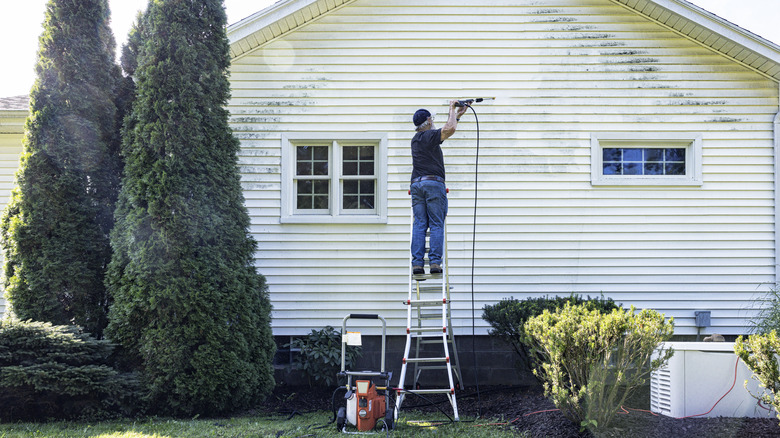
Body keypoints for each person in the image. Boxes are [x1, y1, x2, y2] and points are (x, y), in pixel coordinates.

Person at [410, 100, 468, 275]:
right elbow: (448, 130)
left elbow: (447, 129)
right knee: (436, 223)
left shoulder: (417, 139)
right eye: (432, 119)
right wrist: (451, 108)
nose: (433, 122)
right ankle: (435, 263)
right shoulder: (429, 136)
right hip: (433, 184)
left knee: (420, 224)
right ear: (428, 121)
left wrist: (457, 116)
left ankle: (417, 264)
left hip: (417, 185)